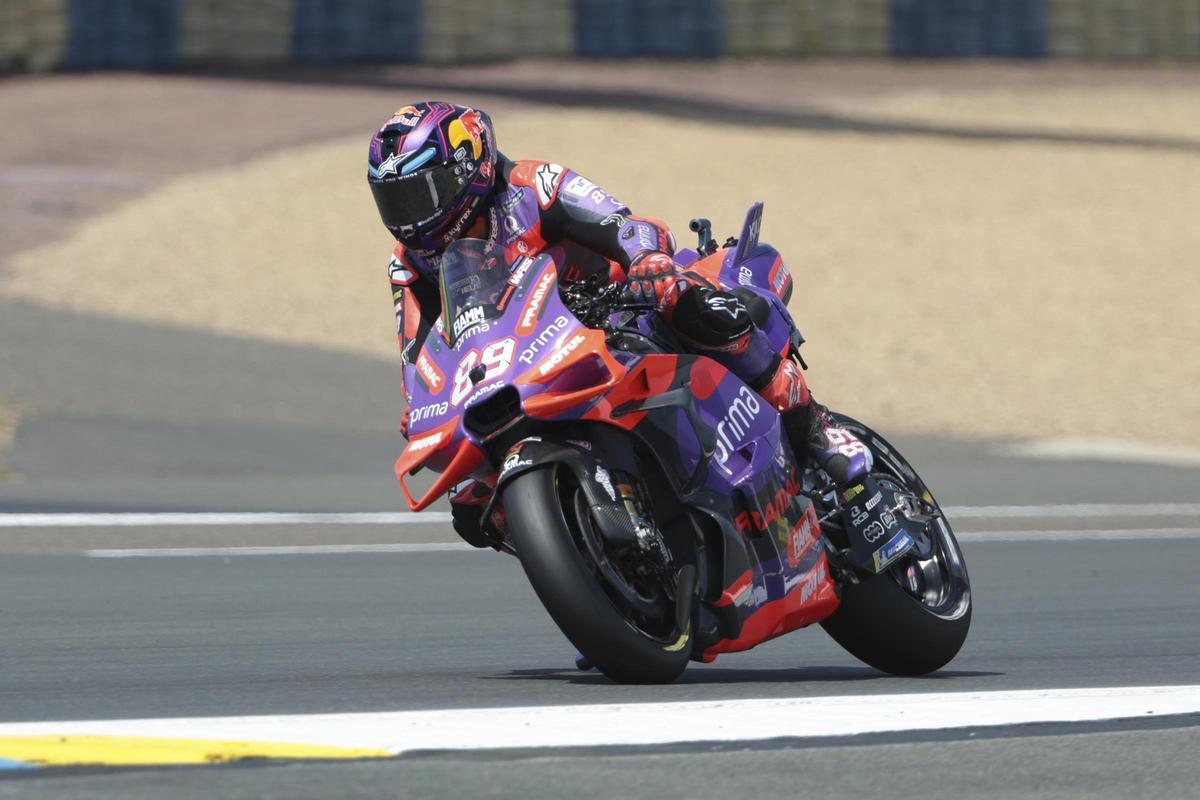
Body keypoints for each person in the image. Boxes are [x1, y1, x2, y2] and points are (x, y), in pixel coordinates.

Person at [368, 101, 863, 547]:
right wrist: (420, 408)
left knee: (687, 302)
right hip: (523, 361)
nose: (410, 217)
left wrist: (646, 258)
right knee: (471, 507)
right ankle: (605, 581)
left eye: (419, 193)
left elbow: (620, 222)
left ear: (466, 169)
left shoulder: (532, 185)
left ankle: (813, 429)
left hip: (621, 306)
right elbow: (417, 354)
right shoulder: (411, 264)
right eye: (394, 201)